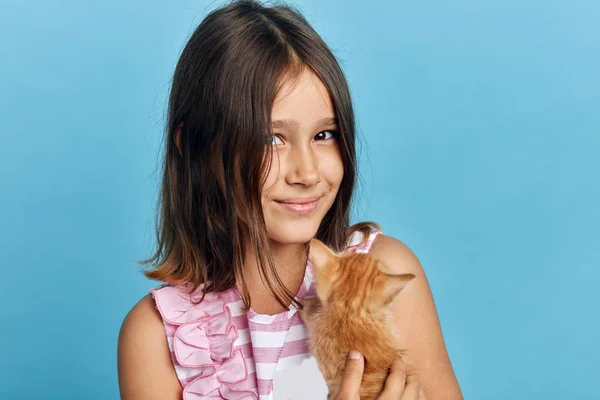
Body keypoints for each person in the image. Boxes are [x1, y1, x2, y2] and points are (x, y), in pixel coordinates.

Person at [117, 1, 463, 399]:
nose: (308, 173)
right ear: (194, 147)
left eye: (324, 134)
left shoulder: (383, 277)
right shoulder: (158, 336)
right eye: (271, 138)